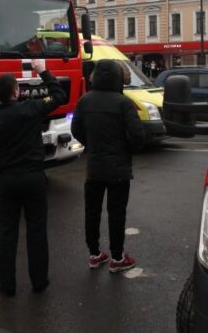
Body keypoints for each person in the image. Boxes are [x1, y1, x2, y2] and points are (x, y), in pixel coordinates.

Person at [0, 59, 67, 296]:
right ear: (16, 92)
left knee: (6, 234)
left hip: (6, 181)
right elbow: (59, 95)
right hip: (34, 178)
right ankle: (39, 281)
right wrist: (44, 71)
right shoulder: (31, 108)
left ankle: (7, 285)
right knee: (37, 230)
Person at [72, 59, 146, 273]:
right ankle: (117, 257)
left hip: (94, 167)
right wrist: (126, 149)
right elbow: (137, 136)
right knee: (116, 213)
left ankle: (94, 254)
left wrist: (91, 145)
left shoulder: (84, 101)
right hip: (119, 168)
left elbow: (76, 130)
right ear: (117, 77)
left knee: (92, 211)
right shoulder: (123, 103)